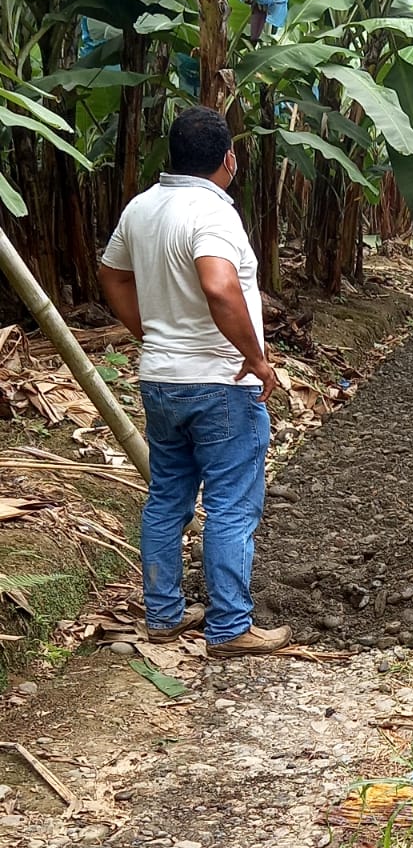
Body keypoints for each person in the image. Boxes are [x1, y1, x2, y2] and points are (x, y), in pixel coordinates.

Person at [98, 106, 292, 657]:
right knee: (230, 505)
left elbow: (111, 273)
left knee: (167, 498)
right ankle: (230, 627)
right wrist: (256, 358)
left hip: (160, 380)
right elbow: (219, 285)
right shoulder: (212, 212)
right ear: (229, 159)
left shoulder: (141, 207)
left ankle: (163, 614)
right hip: (220, 382)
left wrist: (147, 331)